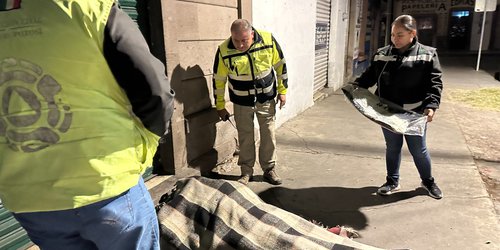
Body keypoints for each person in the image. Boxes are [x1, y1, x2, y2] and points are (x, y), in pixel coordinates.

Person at [0, 1, 175, 249]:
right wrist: (149, 141)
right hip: (105, 181)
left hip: (28, 196)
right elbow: (156, 93)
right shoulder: (89, 7)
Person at [354, 15, 444, 199]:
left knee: (418, 149)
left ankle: (428, 182)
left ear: (413, 34)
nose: (395, 39)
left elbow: (435, 82)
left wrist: (431, 105)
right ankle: (392, 181)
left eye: (400, 35)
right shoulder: (382, 53)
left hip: (414, 112)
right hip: (388, 110)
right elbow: (370, 76)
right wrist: (356, 86)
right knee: (393, 146)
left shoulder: (427, 54)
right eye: (393, 35)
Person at [212, 19, 287, 185]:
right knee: (245, 136)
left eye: (244, 40)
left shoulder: (268, 40)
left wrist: (282, 91)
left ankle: (269, 170)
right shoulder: (224, 50)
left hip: (266, 99)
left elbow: (280, 66)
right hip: (241, 102)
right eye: (235, 40)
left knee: (268, 133)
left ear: (252, 34)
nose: (239, 45)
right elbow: (219, 80)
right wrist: (220, 105)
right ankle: (246, 172)